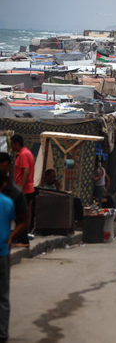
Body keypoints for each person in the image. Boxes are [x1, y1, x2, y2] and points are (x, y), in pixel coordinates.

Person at [0, 169, 22, 343]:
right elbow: (15, 221)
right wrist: (12, 237)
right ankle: (2, 334)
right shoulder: (8, 203)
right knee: (3, 296)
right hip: (3, 252)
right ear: (4, 184)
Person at [10, 134, 34, 247]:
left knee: (19, 216)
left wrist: (19, 189)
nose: (11, 146)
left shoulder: (23, 154)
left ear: (17, 144)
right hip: (27, 189)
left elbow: (26, 171)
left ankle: (24, 241)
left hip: (24, 190)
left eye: (12, 144)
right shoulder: (26, 153)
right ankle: (20, 239)